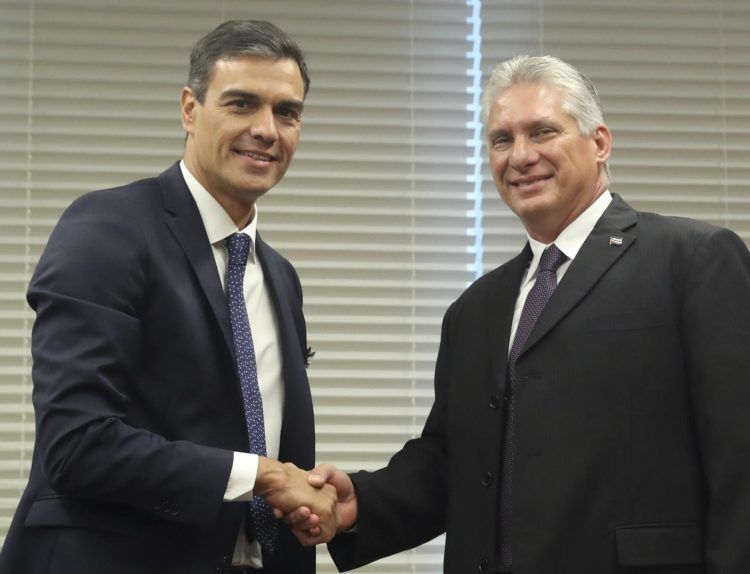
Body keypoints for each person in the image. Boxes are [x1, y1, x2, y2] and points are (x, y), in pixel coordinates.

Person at [286, 55, 750, 573]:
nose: (520, 156)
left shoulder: (692, 260)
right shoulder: (475, 308)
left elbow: (740, 461)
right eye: (501, 140)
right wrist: (360, 505)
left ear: (599, 143)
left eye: (542, 132)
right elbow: (454, 462)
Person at [0, 19, 338, 574]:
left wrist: (296, 503)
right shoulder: (108, 228)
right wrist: (263, 475)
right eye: (241, 104)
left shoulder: (280, 276)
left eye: (287, 112)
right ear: (189, 109)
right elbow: (76, 444)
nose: (267, 130)